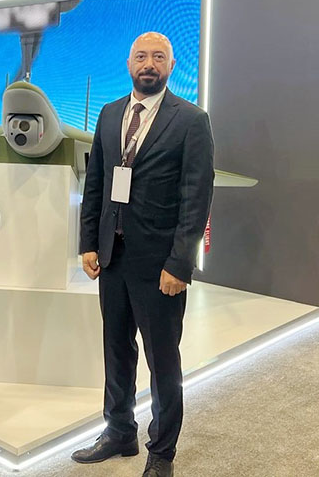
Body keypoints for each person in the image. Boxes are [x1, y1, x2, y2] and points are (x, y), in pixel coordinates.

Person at [71, 32, 214, 477]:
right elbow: (96, 183)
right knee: (116, 351)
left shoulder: (191, 120)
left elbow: (196, 198)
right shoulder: (110, 113)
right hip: (113, 256)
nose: (148, 64)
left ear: (171, 65)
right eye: (140, 56)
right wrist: (88, 242)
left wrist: (180, 263)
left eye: (157, 57)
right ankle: (119, 431)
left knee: (162, 361)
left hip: (160, 265)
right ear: (129, 63)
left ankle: (162, 452)